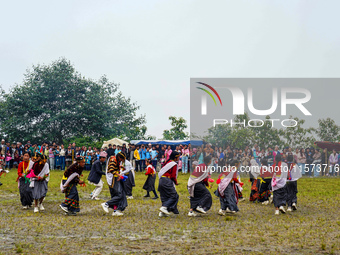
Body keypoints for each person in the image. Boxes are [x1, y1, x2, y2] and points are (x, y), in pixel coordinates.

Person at [101, 152, 128, 216]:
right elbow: (111, 170)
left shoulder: (116, 159)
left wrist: (120, 167)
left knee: (122, 195)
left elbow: (116, 168)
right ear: (119, 157)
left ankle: (117, 210)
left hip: (116, 179)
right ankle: (106, 204)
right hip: (113, 179)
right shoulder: (113, 160)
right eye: (122, 159)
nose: (121, 161)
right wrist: (119, 175)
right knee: (119, 195)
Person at [157, 151, 180, 217]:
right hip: (167, 180)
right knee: (174, 196)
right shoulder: (174, 164)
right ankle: (164, 207)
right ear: (175, 157)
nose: (179, 158)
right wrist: (176, 182)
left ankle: (162, 213)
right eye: (178, 157)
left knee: (165, 196)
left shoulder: (167, 162)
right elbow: (173, 176)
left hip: (161, 180)